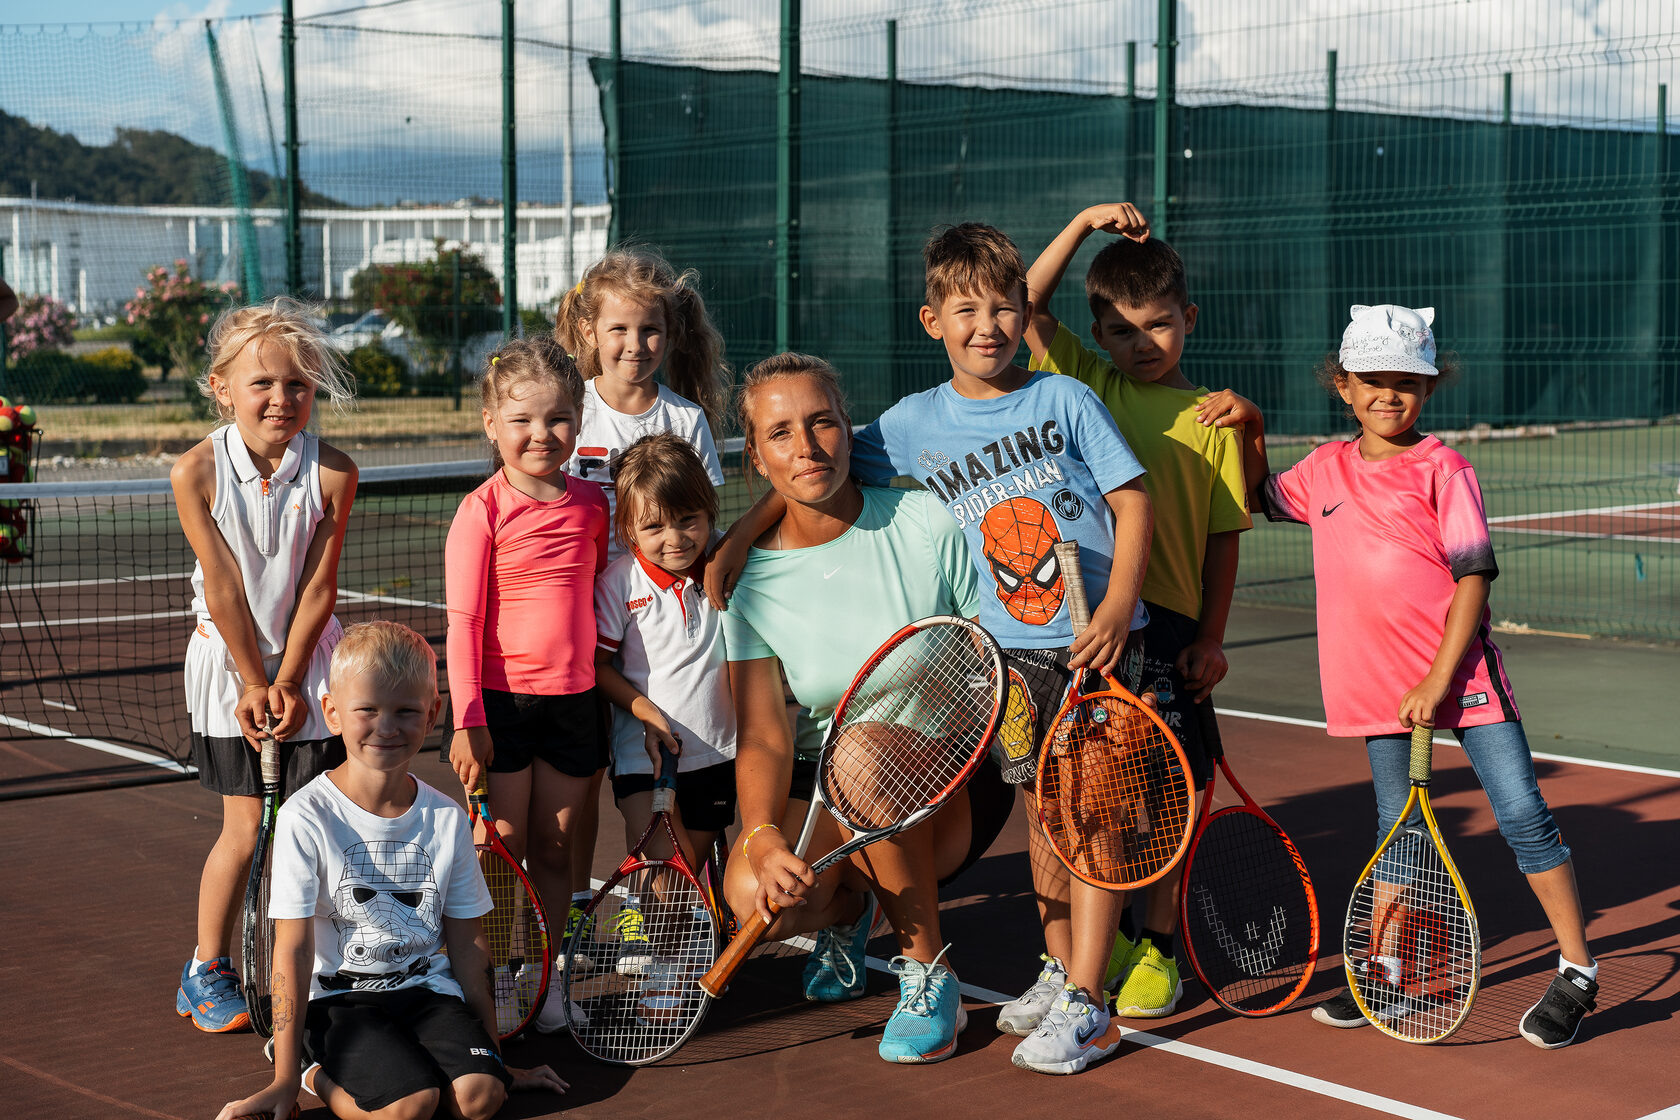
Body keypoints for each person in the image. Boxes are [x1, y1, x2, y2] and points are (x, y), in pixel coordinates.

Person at [710, 224, 1154, 1075]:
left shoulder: (1064, 400)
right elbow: (811, 468)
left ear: (1026, 311)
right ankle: (1057, 967)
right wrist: (741, 535)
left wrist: (1119, 607)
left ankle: (1088, 998)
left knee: (1086, 814)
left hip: (1085, 648)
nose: (987, 327)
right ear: (931, 321)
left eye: (1004, 308)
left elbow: (1132, 500)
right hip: (1014, 661)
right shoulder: (913, 423)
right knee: (1046, 819)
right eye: (965, 311)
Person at [1201, 303, 1599, 1049]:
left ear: (1429, 388)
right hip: (1378, 688)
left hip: (1463, 678)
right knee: (1399, 832)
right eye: (1373, 381)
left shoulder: (1445, 468)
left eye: (1407, 383)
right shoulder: (1323, 467)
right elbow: (1260, 495)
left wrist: (1437, 681)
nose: (1390, 395)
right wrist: (1253, 423)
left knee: (1523, 816)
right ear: (1344, 387)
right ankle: (1386, 970)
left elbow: (1473, 578)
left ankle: (1578, 970)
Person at [710, 351, 1018, 1065]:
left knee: (863, 753)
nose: (806, 446)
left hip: (952, 777)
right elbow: (764, 735)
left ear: (849, 428)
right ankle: (851, 910)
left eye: (821, 422)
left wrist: (964, 726)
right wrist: (762, 836)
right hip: (833, 786)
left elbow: (993, 658)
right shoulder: (749, 583)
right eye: (780, 433)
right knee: (753, 892)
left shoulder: (926, 521)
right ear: (756, 456)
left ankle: (929, 973)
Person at [1025, 204, 1252, 1019]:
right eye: (1121, 331)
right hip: (1087, 623)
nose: (1141, 343)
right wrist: (1081, 223)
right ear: (1098, 336)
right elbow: (1025, 304)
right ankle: (1103, 940)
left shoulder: (1215, 419)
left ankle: (1157, 944)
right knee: (1086, 793)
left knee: (1168, 795)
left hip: (1174, 630)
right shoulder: (1093, 384)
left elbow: (1223, 541)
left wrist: (1213, 637)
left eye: (1158, 324)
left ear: (1189, 317)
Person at [212, 621, 565, 1120]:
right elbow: (293, 949)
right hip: (339, 1003)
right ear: (332, 712)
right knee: (410, 1107)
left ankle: (442, 1069)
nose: (387, 727)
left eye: (405, 711)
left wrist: (497, 1063)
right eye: (368, 710)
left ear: (432, 713)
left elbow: (469, 947)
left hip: (426, 994)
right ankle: (312, 1068)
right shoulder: (306, 816)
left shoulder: (446, 818)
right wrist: (285, 1081)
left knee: (481, 1099)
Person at [170, 296, 357, 1033]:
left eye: (298, 385)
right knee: (247, 828)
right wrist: (255, 683)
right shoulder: (195, 471)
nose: (282, 398)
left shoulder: (334, 472)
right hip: (228, 666)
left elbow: (319, 586)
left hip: (309, 667)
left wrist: (291, 679)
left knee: (313, 828)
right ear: (222, 389)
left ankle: (318, 966)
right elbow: (222, 587)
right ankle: (205, 968)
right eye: (262, 383)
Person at [445, 336, 610, 1034]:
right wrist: (468, 719)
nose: (541, 434)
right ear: (491, 424)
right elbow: (462, 623)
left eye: (558, 418)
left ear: (579, 419)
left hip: (576, 704)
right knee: (502, 851)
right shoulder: (481, 510)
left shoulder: (592, 505)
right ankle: (499, 977)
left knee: (554, 849)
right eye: (522, 420)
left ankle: (545, 973)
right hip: (500, 708)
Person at [593, 432, 738, 975]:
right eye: (653, 527)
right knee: (662, 875)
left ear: (709, 511)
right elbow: (598, 667)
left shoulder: (728, 560)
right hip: (644, 758)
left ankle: (670, 942)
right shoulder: (617, 582)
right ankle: (663, 972)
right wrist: (646, 713)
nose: (674, 539)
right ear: (628, 529)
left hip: (718, 756)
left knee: (685, 873)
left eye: (687, 520)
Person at [556, 247, 729, 566]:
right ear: (589, 332)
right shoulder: (567, 411)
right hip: (583, 579)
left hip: (662, 589)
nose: (635, 345)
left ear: (669, 332)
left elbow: (701, 513)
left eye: (650, 329)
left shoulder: (686, 418)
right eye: (619, 329)